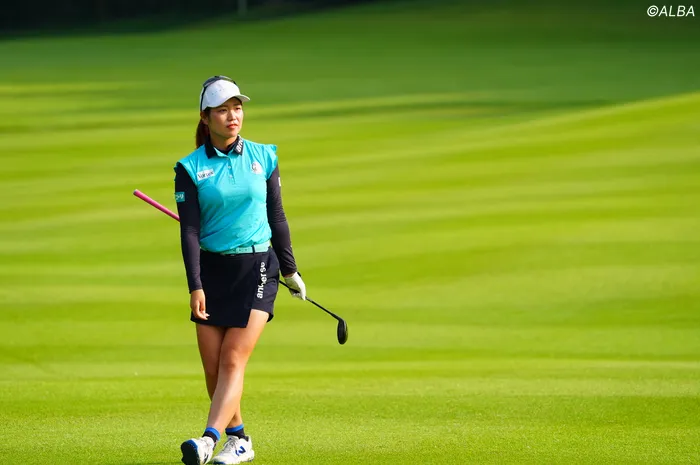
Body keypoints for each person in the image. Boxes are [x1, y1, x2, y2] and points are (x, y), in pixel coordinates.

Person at [173, 75, 306, 465]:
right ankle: (240, 440)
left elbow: (277, 217)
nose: (233, 116)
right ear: (205, 117)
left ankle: (207, 440)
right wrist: (195, 285)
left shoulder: (264, 156)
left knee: (233, 359)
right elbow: (189, 230)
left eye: (237, 108)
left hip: (258, 267)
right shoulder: (189, 168)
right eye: (223, 110)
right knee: (213, 370)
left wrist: (290, 270)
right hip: (213, 270)